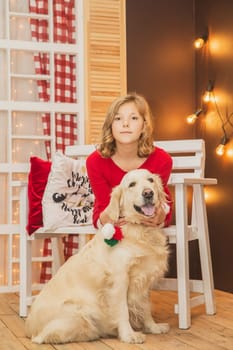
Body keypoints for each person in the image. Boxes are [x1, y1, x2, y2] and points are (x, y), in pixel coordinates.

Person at [86, 93, 173, 230]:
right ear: (110, 126)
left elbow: (162, 201)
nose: (125, 124)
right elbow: (104, 206)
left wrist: (161, 216)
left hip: (147, 226)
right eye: (118, 118)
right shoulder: (95, 161)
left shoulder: (162, 160)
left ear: (144, 125)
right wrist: (111, 219)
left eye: (133, 118)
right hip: (109, 220)